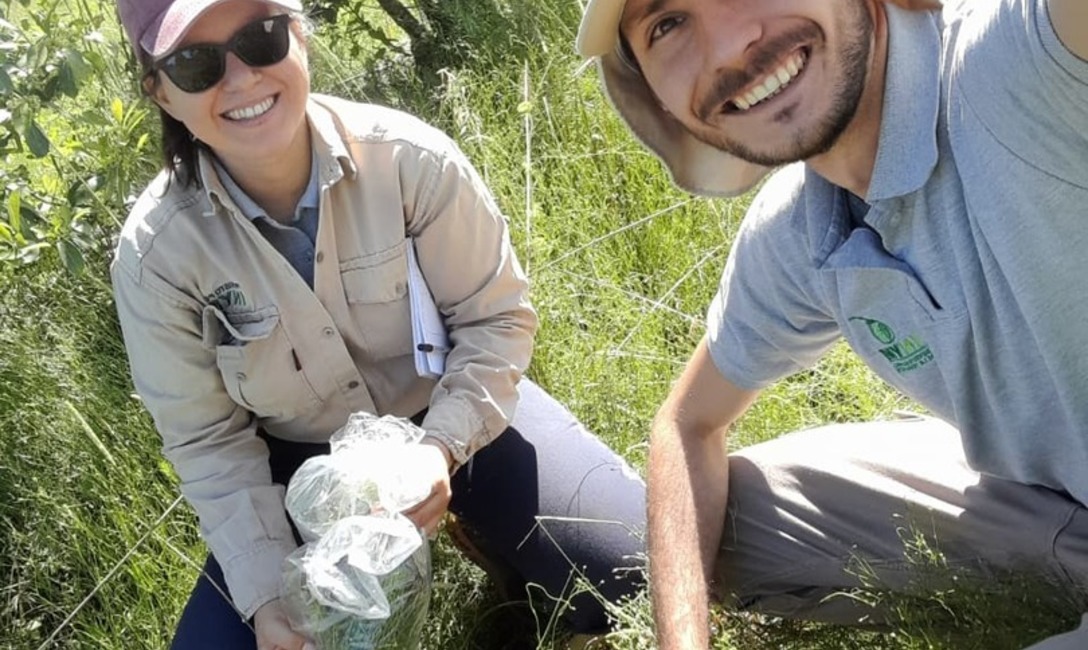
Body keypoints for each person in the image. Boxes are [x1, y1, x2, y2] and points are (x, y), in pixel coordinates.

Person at [109, 0, 646, 647]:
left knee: (632, 569)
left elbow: (495, 319)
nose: (242, 76)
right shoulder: (156, 258)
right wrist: (265, 598)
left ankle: (489, 535)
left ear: (299, 35)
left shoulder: (411, 161)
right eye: (195, 63)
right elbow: (209, 445)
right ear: (159, 91)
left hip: (448, 415)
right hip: (292, 462)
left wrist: (440, 447)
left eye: (260, 37)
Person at [576, 0, 1088, 648]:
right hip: (1057, 492)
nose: (731, 45)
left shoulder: (1021, 56)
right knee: (736, 523)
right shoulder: (803, 227)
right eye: (667, 24)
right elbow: (685, 424)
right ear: (654, 97)